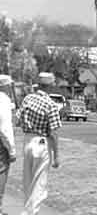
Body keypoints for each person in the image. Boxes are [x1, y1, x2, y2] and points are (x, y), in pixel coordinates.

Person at [16, 85, 62, 215]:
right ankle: (31, 212)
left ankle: (26, 209)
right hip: (42, 142)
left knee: (28, 181)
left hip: (28, 140)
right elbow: (53, 133)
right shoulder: (50, 105)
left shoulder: (28, 99)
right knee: (39, 183)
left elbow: (18, 120)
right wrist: (56, 155)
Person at [0, 81, 16, 215]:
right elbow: (4, 129)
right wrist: (11, 150)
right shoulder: (3, 100)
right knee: (1, 172)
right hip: (1, 144)